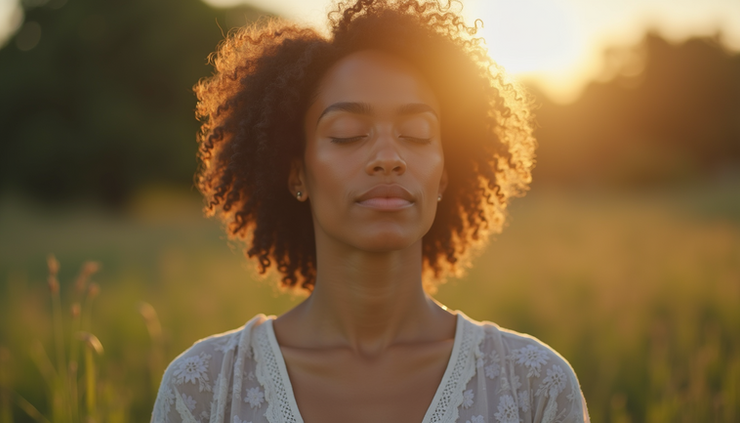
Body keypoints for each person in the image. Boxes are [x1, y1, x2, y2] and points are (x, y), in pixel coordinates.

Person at [152, 0, 590, 422]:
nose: (388, 157)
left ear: (443, 176)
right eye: (347, 134)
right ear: (296, 174)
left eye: (417, 134)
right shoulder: (205, 389)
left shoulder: (536, 386)